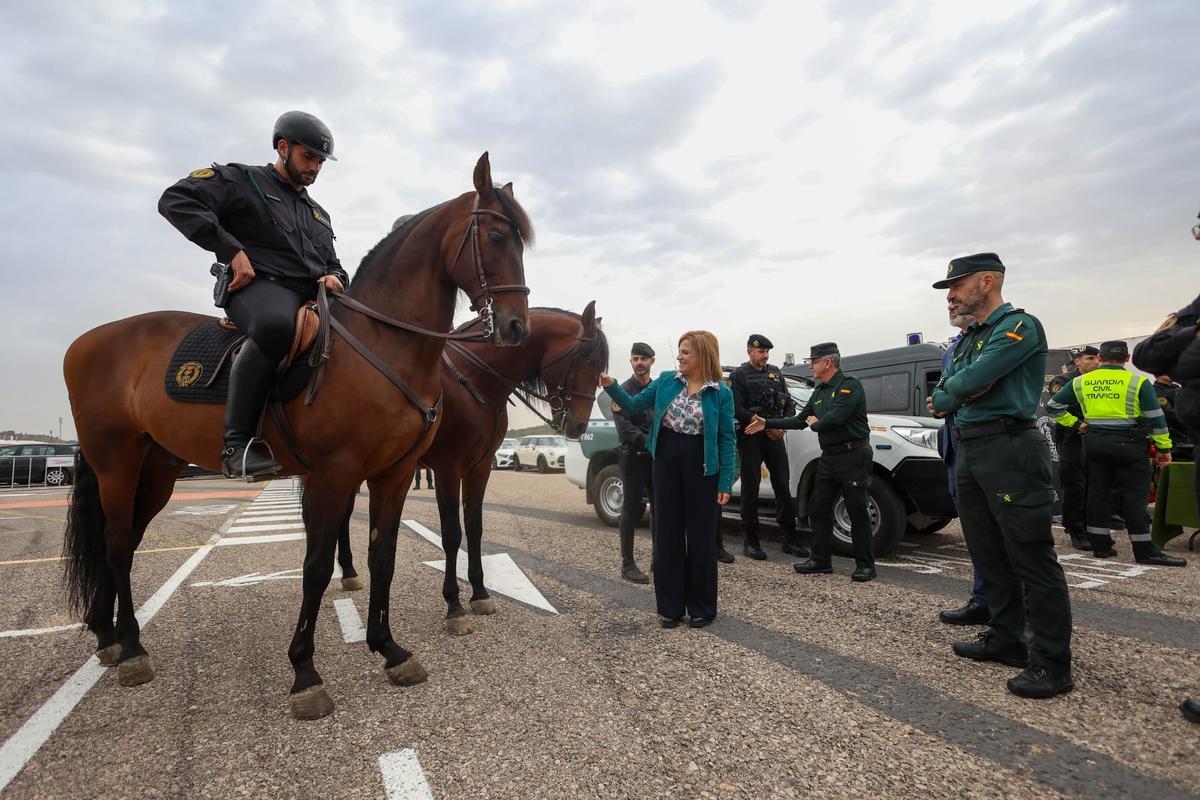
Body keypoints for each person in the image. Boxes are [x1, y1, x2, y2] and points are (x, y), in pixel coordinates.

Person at [159, 111, 347, 481]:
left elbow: (334, 263)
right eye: (308, 157)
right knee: (276, 326)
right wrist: (230, 250)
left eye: (320, 161)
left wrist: (334, 277)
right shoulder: (242, 181)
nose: (315, 168)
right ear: (283, 147)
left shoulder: (318, 214)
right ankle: (237, 444)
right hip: (260, 287)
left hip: (311, 296)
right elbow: (176, 200)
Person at [927, 253, 1073, 699]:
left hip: (1009, 447)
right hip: (970, 447)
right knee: (988, 552)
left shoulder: (1019, 327)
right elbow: (948, 386)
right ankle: (1008, 639)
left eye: (956, 286)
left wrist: (959, 389)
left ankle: (1051, 662)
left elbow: (970, 382)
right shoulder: (972, 336)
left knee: (1031, 556)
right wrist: (959, 388)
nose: (949, 296)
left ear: (986, 282)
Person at [599, 331, 736, 629]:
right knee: (667, 535)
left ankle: (702, 607)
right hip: (665, 461)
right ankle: (670, 607)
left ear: (703, 355)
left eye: (686, 352)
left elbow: (727, 438)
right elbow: (633, 405)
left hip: (702, 465)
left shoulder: (721, 392)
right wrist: (611, 386)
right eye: (679, 351)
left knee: (701, 538)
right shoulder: (666, 380)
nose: (680, 356)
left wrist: (725, 481)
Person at [1047, 341, 1185, 566]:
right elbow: (1156, 419)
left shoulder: (1081, 381)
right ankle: (1144, 550)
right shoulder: (1137, 381)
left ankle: (1100, 546)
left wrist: (1078, 424)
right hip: (1129, 445)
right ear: (1127, 358)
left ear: (1100, 358)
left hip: (1094, 443)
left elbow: (1053, 407)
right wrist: (1164, 449)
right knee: (1134, 496)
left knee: (1097, 493)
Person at [746, 342, 875, 582]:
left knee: (857, 509)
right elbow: (799, 420)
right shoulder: (820, 391)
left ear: (827, 362)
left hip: (853, 455)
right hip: (829, 456)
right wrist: (767, 423)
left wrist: (816, 423)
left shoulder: (849, 385)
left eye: (813, 362)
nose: (810, 367)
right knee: (819, 508)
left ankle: (865, 565)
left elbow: (835, 419)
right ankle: (820, 560)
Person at [730, 335, 806, 560]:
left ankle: (789, 539)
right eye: (761, 351)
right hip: (752, 437)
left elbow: (789, 404)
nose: (765, 356)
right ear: (749, 351)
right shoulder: (739, 375)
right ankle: (751, 541)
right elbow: (737, 409)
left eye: (767, 352)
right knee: (750, 489)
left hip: (775, 437)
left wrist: (781, 426)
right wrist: (765, 425)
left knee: (782, 485)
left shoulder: (775, 373)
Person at [937, 313, 991, 626]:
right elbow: (942, 394)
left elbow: (962, 390)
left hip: (983, 442)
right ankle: (984, 600)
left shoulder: (999, 337)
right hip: (956, 445)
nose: (950, 299)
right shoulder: (953, 348)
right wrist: (947, 398)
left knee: (1001, 535)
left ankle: (1018, 617)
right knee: (976, 533)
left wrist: (948, 398)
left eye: (958, 288)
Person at [1048, 346, 1101, 550]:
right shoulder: (1063, 381)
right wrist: (1080, 423)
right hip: (1072, 437)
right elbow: (1061, 408)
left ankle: (1093, 527)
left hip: (1096, 438)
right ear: (1077, 361)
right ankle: (1076, 530)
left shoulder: (1100, 381)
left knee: (1095, 483)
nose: (1095, 362)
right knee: (1075, 484)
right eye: (1090, 358)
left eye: (1097, 358)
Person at [614, 342, 656, 583]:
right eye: (636, 359)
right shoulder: (622, 391)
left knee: (659, 508)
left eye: (644, 359)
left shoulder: (658, 389)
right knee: (630, 508)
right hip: (633, 457)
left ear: (652, 361)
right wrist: (651, 441)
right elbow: (625, 429)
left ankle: (657, 559)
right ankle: (627, 564)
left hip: (656, 459)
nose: (640, 363)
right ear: (631, 362)